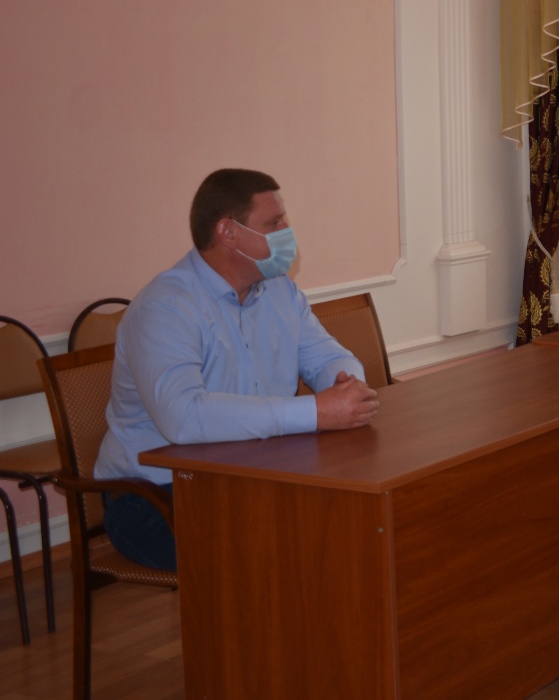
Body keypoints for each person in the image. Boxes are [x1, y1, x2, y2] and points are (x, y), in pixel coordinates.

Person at [97, 169, 380, 571]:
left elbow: (325, 355)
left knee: (355, 517)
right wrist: (317, 411)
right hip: (156, 493)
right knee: (284, 546)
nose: (287, 232)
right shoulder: (166, 307)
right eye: (274, 223)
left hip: (251, 472)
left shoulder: (279, 290)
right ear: (228, 232)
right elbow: (184, 417)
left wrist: (346, 385)